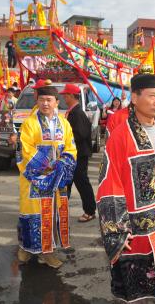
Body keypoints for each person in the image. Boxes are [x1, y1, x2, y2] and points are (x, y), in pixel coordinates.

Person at [97, 73, 155, 303]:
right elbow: (110, 183)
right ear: (134, 98)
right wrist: (117, 229)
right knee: (138, 283)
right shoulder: (120, 136)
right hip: (136, 222)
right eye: (152, 96)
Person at [16, 79, 77, 269]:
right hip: (34, 179)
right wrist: (46, 167)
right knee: (33, 214)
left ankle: (47, 252)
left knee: (51, 215)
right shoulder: (29, 124)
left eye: (49, 100)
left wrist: (61, 165)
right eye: (42, 99)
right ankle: (27, 247)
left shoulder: (64, 124)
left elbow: (71, 148)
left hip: (57, 179)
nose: (45, 103)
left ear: (57, 102)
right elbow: (25, 150)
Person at [59, 83, 96, 222]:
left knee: (82, 183)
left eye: (65, 95)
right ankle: (60, 209)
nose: (64, 98)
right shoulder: (73, 111)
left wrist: (64, 136)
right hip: (72, 155)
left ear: (70, 96)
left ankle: (90, 211)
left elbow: (81, 134)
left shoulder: (77, 113)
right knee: (66, 182)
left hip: (79, 154)